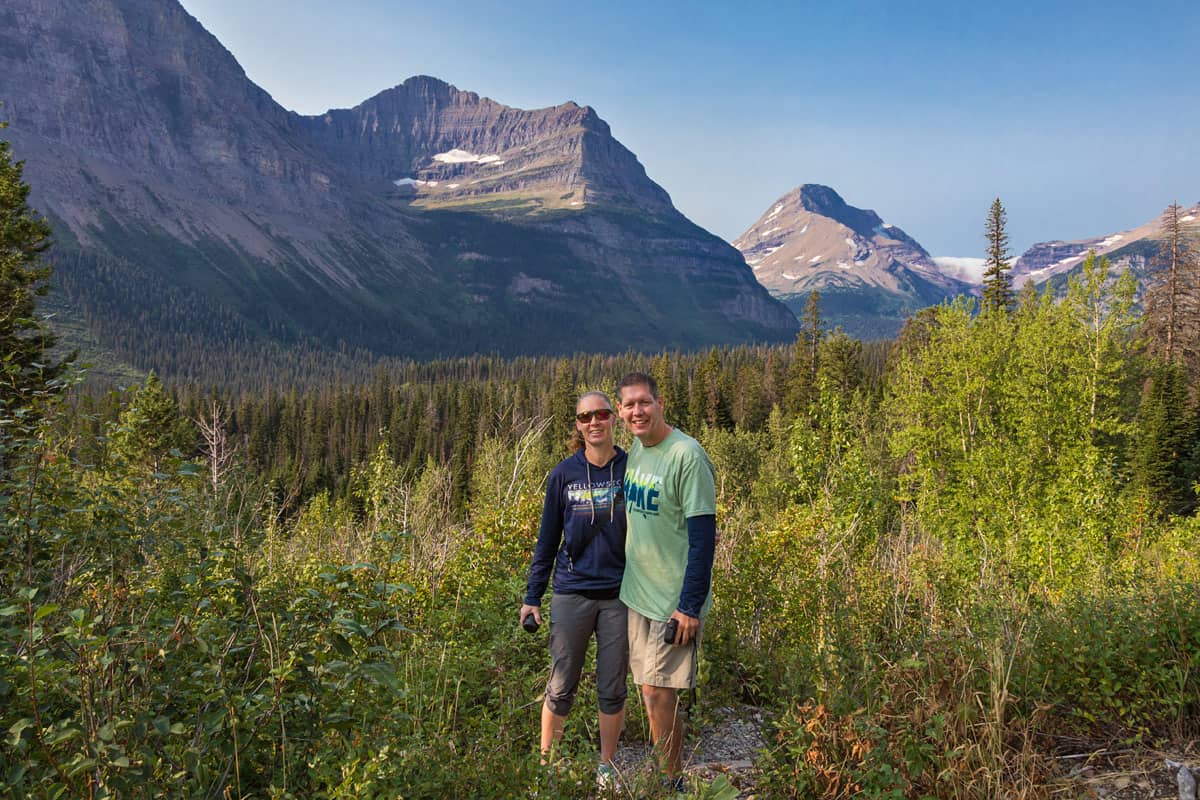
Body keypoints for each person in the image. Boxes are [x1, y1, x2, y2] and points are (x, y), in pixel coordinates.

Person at [520, 390, 628, 790]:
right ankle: (546, 767)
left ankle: (607, 769)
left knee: (612, 686)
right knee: (562, 682)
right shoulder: (563, 474)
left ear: (613, 418)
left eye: (601, 414)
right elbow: (547, 539)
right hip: (572, 593)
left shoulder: (631, 469)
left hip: (620, 595)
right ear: (578, 424)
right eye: (586, 417)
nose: (594, 422)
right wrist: (533, 596)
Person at [615, 371, 717, 791]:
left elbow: (703, 539)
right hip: (637, 595)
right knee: (650, 691)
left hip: (672, 603)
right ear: (621, 413)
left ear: (659, 403)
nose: (637, 411)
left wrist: (689, 606)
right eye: (629, 405)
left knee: (660, 695)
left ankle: (670, 782)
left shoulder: (686, 456)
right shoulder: (638, 450)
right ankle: (665, 773)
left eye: (644, 403)